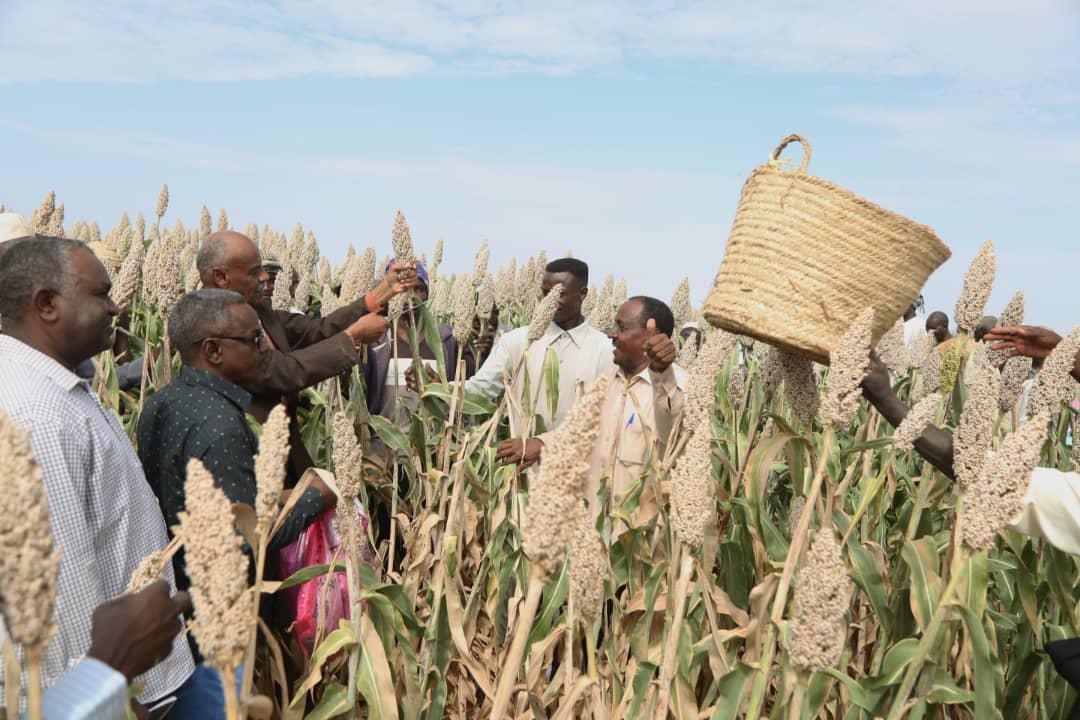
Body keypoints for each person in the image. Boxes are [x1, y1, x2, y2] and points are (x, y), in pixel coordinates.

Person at [0, 236, 204, 717]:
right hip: (121, 691)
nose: (116, 306)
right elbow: (55, 588)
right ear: (47, 304)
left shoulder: (59, 384)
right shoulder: (36, 414)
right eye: (101, 294)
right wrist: (106, 692)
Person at [138, 290, 337, 596]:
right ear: (213, 350)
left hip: (180, 588)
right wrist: (317, 497)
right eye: (255, 339)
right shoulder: (221, 425)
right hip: (222, 606)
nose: (266, 348)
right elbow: (245, 536)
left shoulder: (162, 401)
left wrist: (272, 494)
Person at [196, 230, 416, 481]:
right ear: (221, 277)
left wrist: (383, 292)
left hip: (286, 455)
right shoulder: (210, 327)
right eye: (253, 271)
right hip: (247, 460)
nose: (265, 277)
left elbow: (319, 329)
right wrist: (352, 338)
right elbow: (278, 371)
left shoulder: (261, 314)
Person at [534, 296, 683, 527]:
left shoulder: (677, 386)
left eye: (621, 327)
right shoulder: (607, 379)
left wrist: (662, 374)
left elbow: (672, 433)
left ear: (651, 336)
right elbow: (581, 432)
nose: (611, 334)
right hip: (595, 531)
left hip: (638, 540)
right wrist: (540, 443)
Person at [466, 258, 613, 467]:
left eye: (560, 294)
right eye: (546, 294)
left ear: (582, 294)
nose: (550, 301)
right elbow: (481, 389)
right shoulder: (517, 341)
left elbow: (606, 417)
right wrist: (443, 389)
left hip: (577, 475)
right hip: (521, 475)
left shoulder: (604, 349)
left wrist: (546, 444)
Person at [365, 261, 475, 430]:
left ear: (426, 295)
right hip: (383, 446)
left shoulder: (447, 342)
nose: (412, 297)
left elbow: (467, 396)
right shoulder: (377, 340)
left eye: (419, 289)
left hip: (432, 450)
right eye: (405, 289)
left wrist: (439, 388)